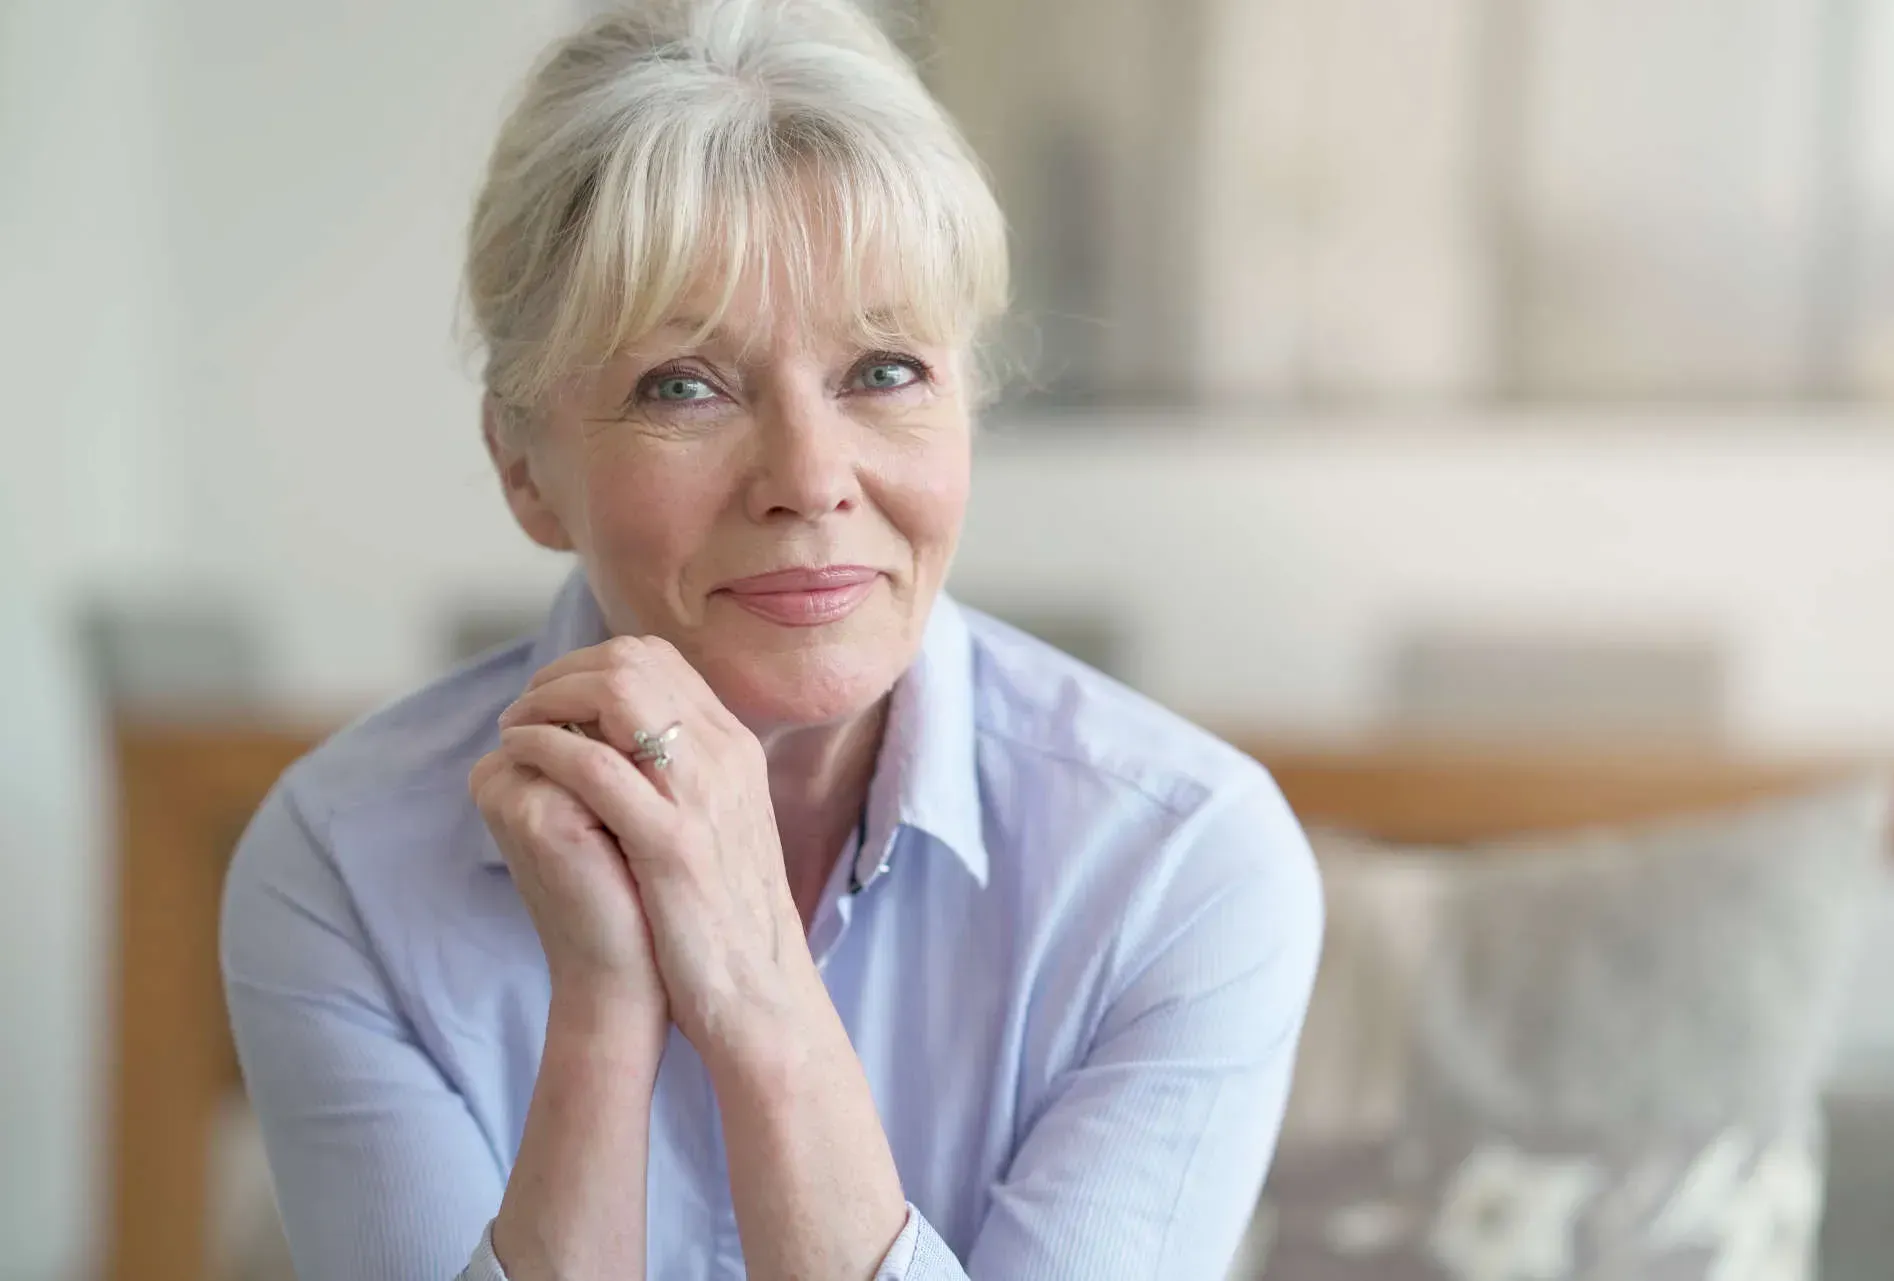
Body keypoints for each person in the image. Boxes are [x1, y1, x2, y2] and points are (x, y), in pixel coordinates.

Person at [219, 1, 1323, 1278]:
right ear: (524, 466)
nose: (809, 477)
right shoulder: (342, 868)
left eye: (885, 371)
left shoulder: (1179, 867)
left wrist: (753, 988)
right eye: (682, 384)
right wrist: (605, 1016)